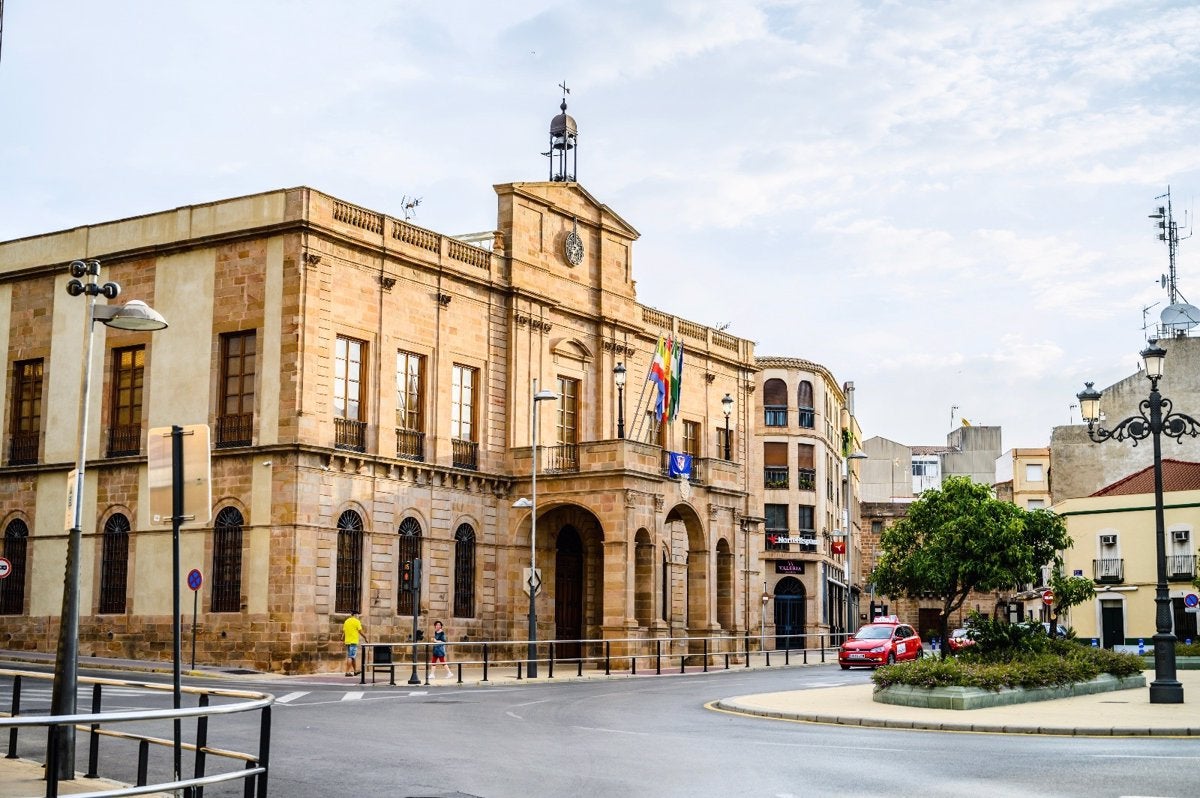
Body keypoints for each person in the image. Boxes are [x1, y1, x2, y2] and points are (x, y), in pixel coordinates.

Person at [343, 610, 367, 676]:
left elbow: (344, 631)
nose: (358, 616)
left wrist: (342, 638)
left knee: (353, 656)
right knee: (351, 656)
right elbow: (360, 631)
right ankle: (347, 672)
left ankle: (355, 671)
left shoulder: (346, 621)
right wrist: (365, 637)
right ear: (355, 615)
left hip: (347, 641)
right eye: (358, 615)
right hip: (353, 641)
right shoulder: (357, 621)